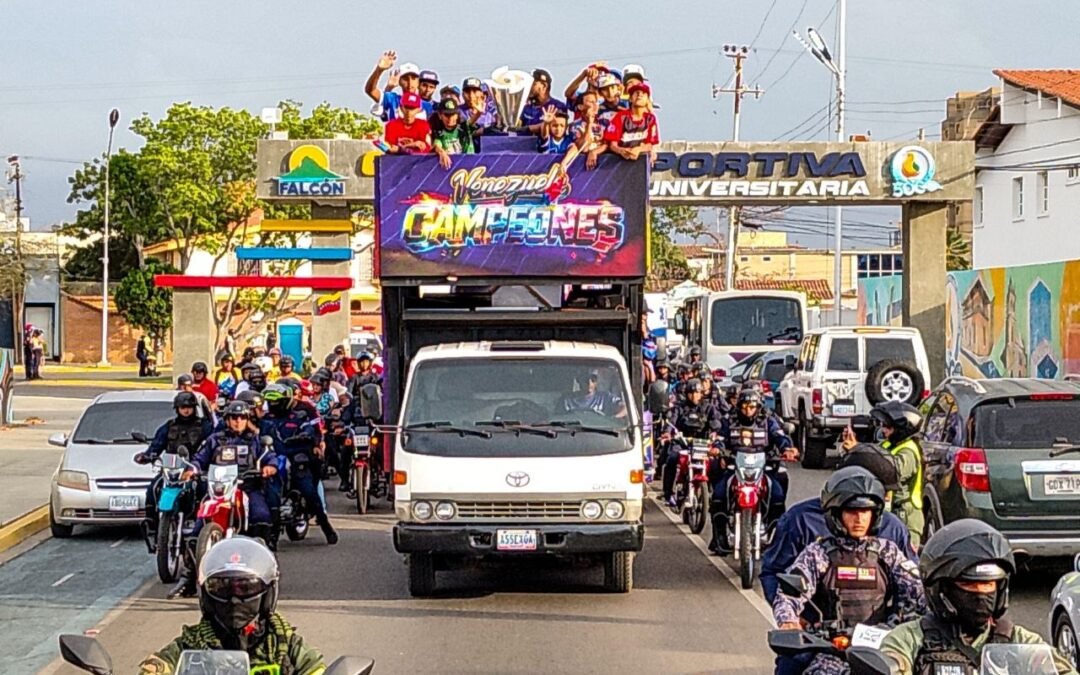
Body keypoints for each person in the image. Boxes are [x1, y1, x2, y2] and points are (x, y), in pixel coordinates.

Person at [764, 463, 915, 675]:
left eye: (866, 511)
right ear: (836, 513)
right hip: (830, 648)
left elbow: (918, 593)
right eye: (852, 511)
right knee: (790, 667)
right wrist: (789, 620)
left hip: (883, 648)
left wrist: (906, 623)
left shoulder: (888, 552)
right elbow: (788, 595)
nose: (860, 518)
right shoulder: (818, 553)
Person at [881, 519, 1076, 675]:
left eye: (988, 584)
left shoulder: (1020, 641)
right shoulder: (909, 639)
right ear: (941, 589)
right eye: (969, 585)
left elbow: (1060, 669)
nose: (981, 594)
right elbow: (892, 662)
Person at [138, 537, 326, 675]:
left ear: (267, 594)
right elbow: (158, 667)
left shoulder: (286, 645)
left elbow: (317, 668)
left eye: (246, 588)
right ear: (206, 595)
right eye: (222, 588)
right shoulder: (190, 645)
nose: (234, 600)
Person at [708, 388, 795, 554]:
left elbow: (779, 436)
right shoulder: (730, 420)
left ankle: (774, 537)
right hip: (735, 468)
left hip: (763, 468)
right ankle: (719, 537)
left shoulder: (767, 420)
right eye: (744, 406)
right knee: (719, 495)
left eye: (752, 406)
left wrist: (788, 448)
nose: (748, 411)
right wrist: (717, 449)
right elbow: (720, 439)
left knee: (777, 495)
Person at [261, 385, 338, 545]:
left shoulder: (302, 415)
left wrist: (311, 439)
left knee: (309, 491)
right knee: (269, 492)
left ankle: (325, 526)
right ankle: (271, 536)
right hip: (273, 459)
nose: (273, 405)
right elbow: (257, 434)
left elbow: (314, 430)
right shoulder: (266, 418)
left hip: (298, 456)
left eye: (276, 401)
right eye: (270, 401)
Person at [135, 392, 215, 544]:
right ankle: (153, 524)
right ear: (177, 409)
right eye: (182, 407)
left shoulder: (205, 426)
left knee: (205, 490)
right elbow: (156, 446)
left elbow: (213, 446)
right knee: (153, 489)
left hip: (196, 470)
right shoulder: (168, 427)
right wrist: (147, 456)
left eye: (189, 407)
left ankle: (202, 524)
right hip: (172, 470)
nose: (186, 410)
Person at [662, 378, 724, 505]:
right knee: (672, 458)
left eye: (697, 392)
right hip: (682, 442)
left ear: (702, 393)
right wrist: (667, 433)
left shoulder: (709, 408)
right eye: (691, 392)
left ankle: (717, 497)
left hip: (703, 444)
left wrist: (715, 432)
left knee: (716, 465)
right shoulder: (679, 408)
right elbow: (670, 421)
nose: (694, 395)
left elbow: (717, 422)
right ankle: (668, 493)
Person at [599, 80, 659, 168]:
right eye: (636, 93)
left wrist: (638, 149)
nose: (639, 94)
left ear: (647, 100)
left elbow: (650, 144)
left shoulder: (650, 118)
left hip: (640, 162)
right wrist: (621, 151)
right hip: (618, 161)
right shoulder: (621, 117)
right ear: (630, 98)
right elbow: (612, 144)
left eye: (643, 93)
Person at [365, 50, 432, 121]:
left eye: (413, 78)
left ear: (418, 82)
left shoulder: (427, 106)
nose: (410, 82)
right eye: (405, 79)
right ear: (399, 81)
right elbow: (370, 91)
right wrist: (379, 70)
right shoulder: (392, 99)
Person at [562, 368, 627, 418]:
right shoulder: (567, 400)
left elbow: (625, 409)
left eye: (593, 379)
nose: (589, 383)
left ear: (597, 381)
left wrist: (613, 418)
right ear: (578, 380)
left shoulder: (605, 398)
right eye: (585, 378)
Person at [432, 97, 476, 169]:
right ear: (440, 116)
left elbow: (473, 119)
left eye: (453, 114)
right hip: (450, 166)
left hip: (471, 164)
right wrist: (441, 152)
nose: (450, 118)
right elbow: (437, 145)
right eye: (447, 115)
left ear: (457, 115)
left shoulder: (465, 127)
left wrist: (479, 112)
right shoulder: (439, 132)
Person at [520, 68, 567, 134]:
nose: (529, 87)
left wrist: (527, 128)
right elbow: (517, 125)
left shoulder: (557, 106)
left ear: (544, 86)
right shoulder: (527, 108)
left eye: (533, 84)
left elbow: (555, 126)